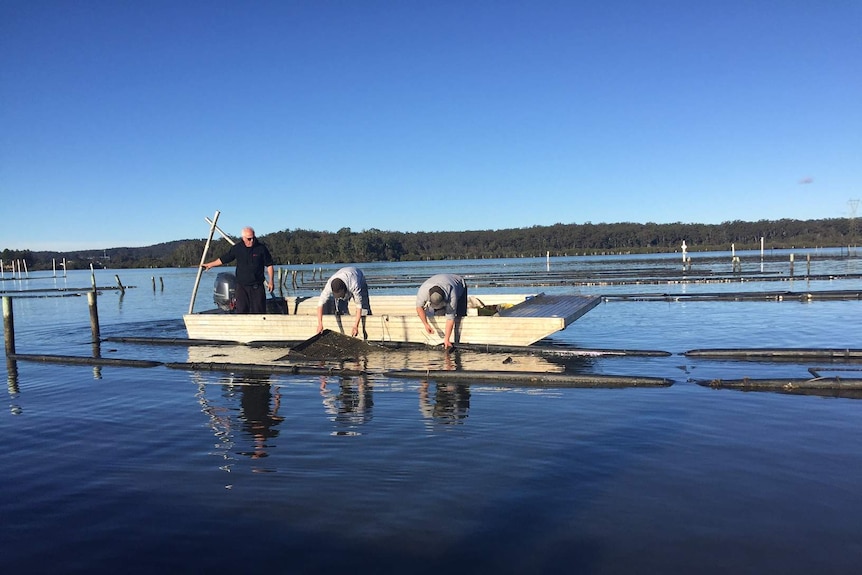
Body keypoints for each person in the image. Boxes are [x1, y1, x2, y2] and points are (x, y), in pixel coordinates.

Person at [202, 226, 274, 314]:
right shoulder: (237, 248)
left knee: (259, 311)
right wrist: (210, 265)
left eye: (253, 238)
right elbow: (225, 259)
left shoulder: (261, 248)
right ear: (243, 238)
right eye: (249, 239)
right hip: (241, 286)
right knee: (241, 311)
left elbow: (269, 265)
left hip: (257, 286)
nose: (251, 240)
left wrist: (271, 281)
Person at [317, 266, 372, 338]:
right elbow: (320, 304)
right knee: (340, 307)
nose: (340, 296)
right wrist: (320, 324)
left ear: (344, 289)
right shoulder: (329, 285)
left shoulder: (354, 285)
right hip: (345, 275)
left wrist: (356, 326)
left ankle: (367, 330)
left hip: (359, 277)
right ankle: (347, 331)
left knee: (364, 307)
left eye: (341, 294)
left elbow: (359, 306)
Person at [415, 273, 467, 349]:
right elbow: (419, 307)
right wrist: (426, 324)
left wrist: (446, 339)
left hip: (459, 284)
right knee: (439, 313)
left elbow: (450, 318)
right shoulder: (423, 291)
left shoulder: (453, 295)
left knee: (460, 314)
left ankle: (457, 338)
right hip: (439, 281)